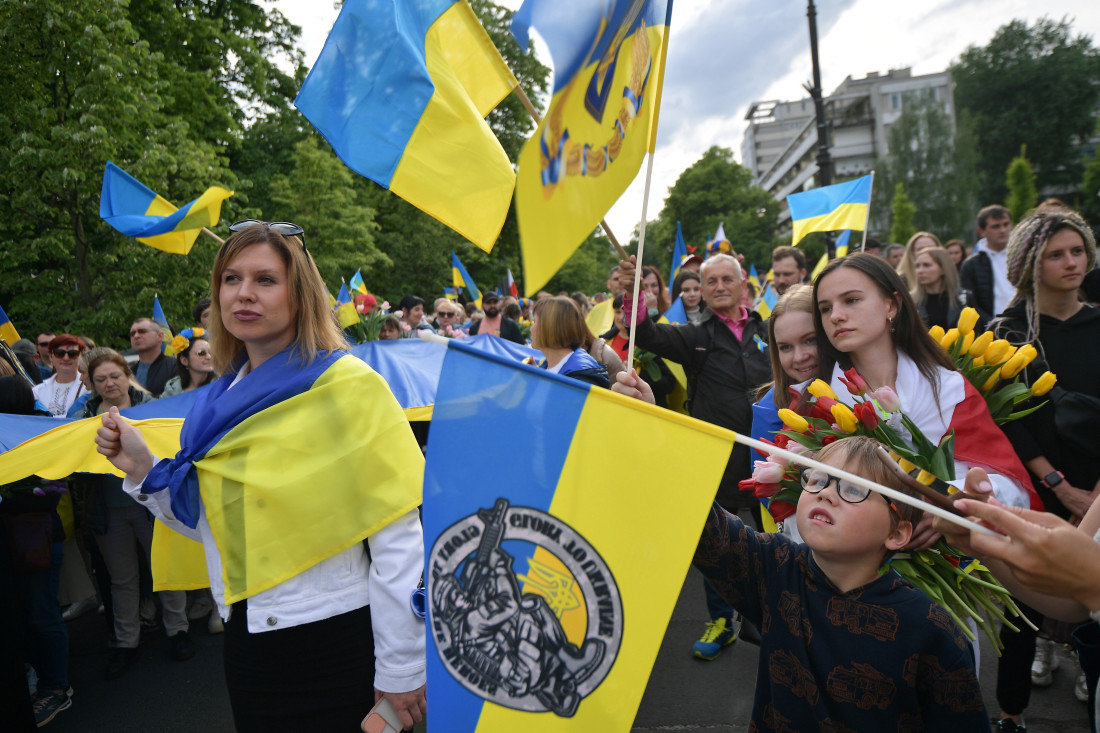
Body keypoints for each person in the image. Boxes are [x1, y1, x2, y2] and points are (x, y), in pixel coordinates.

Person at [93, 220, 426, 731]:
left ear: (300, 294)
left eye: (265, 280)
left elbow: (397, 534)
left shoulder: (349, 385)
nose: (243, 293)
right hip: (248, 642)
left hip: (337, 641)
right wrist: (142, 470)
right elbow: (220, 528)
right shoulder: (216, 401)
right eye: (231, 279)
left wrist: (402, 666)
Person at [697, 435, 989, 730]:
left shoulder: (932, 631)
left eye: (853, 489)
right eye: (817, 479)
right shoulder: (774, 568)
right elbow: (698, 517)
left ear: (897, 533)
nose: (825, 494)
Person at [620, 252, 771, 659]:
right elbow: (646, 334)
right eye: (711, 281)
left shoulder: (768, 329)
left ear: (743, 285)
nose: (719, 286)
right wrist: (634, 297)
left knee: (777, 540)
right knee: (716, 543)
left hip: (771, 456)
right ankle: (720, 621)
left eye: (727, 279)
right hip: (716, 459)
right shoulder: (694, 335)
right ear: (701, 290)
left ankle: (779, 619)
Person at [989, 208, 1100, 731]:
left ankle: (1088, 664)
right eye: (1056, 254)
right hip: (1034, 486)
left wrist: (1093, 497)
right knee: (1022, 603)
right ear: (1029, 265)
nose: (1071, 262)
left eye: (1077, 251)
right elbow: (1005, 419)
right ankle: (1011, 711)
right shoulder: (1006, 334)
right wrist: (1056, 484)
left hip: (1097, 486)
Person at [79, 352, 193, 679]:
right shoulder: (80, 418)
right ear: (92, 384)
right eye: (101, 379)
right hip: (108, 509)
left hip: (151, 504)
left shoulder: (152, 407)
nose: (109, 384)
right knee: (122, 578)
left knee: (165, 569)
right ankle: (126, 642)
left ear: (127, 375)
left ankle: (178, 630)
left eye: (115, 376)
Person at [0, 375, 71, 727]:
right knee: (25, 613)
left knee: (42, 613)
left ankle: (56, 685)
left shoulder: (39, 433)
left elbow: (51, 493)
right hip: (22, 541)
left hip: (36, 540)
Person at [531, 297, 610, 388]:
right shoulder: (550, 365)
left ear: (549, 328)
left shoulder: (580, 379)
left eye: (534, 322)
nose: (531, 328)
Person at [960, 204, 1014, 325]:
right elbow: (970, 304)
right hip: (990, 327)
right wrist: (991, 324)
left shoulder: (1025, 256)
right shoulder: (971, 265)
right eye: (996, 226)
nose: (1003, 230)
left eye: (1006, 224)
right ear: (981, 231)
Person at [911, 247, 978, 330]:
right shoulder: (910, 300)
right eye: (917, 266)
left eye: (926, 265)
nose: (920, 271)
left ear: (943, 269)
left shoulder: (964, 298)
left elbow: (975, 331)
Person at [32, 334, 88, 417]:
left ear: (81, 357)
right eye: (59, 353)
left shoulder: (89, 389)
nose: (66, 358)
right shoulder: (37, 391)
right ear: (51, 357)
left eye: (73, 353)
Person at [161, 328, 217, 397]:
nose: (209, 357)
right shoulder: (171, 392)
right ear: (184, 360)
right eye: (201, 353)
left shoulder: (223, 385)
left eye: (211, 352)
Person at [129, 318, 174, 397]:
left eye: (142, 331)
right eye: (132, 334)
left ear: (160, 336)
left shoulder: (175, 367)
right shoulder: (128, 373)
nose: (136, 336)